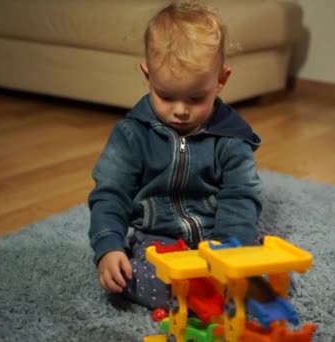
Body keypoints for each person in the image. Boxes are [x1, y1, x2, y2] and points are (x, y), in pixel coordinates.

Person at [87, 1, 262, 310]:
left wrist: (229, 252)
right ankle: (199, 296)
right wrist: (108, 247)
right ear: (147, 74)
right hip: (159, 239)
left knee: (263, 274)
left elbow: (241, 197)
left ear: (221, 79)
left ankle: (213, 292)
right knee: (133, 276)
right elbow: (110, 195)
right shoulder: (131, 135)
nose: (180, 111)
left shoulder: (232, 137)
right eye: (166, 96)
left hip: (216, 236)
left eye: (196, 98)